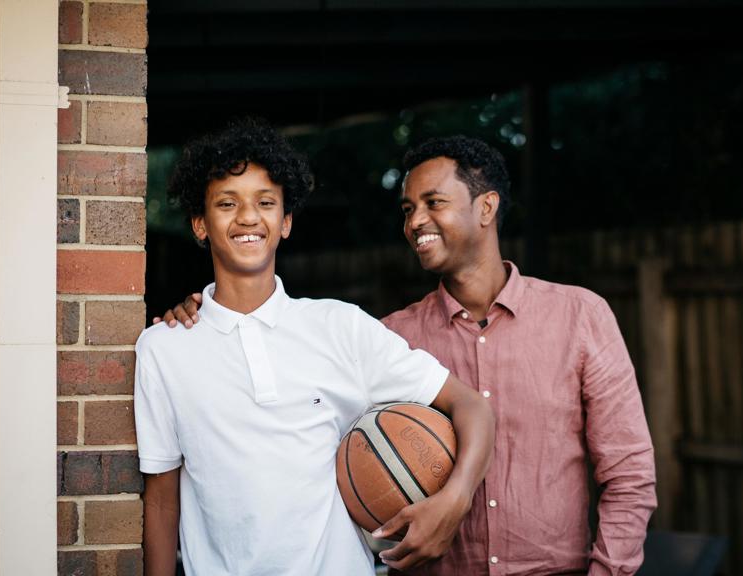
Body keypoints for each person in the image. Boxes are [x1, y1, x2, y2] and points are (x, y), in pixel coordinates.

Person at [160, 135, 657, 575]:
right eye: (406, 209)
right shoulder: (387, 335)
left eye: (433, 202)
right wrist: (199, 317)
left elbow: (630, 477)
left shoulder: (580, 318)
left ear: (486, 208)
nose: (416, 220)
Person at [137, 118, 495, 576]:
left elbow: (472, 407)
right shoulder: (163, 349)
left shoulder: (340, 327)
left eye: (266, 203)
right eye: (227, 204)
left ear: (285, 222)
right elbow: (162, 503)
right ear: (199, 224)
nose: (248, 217)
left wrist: (454, 500)